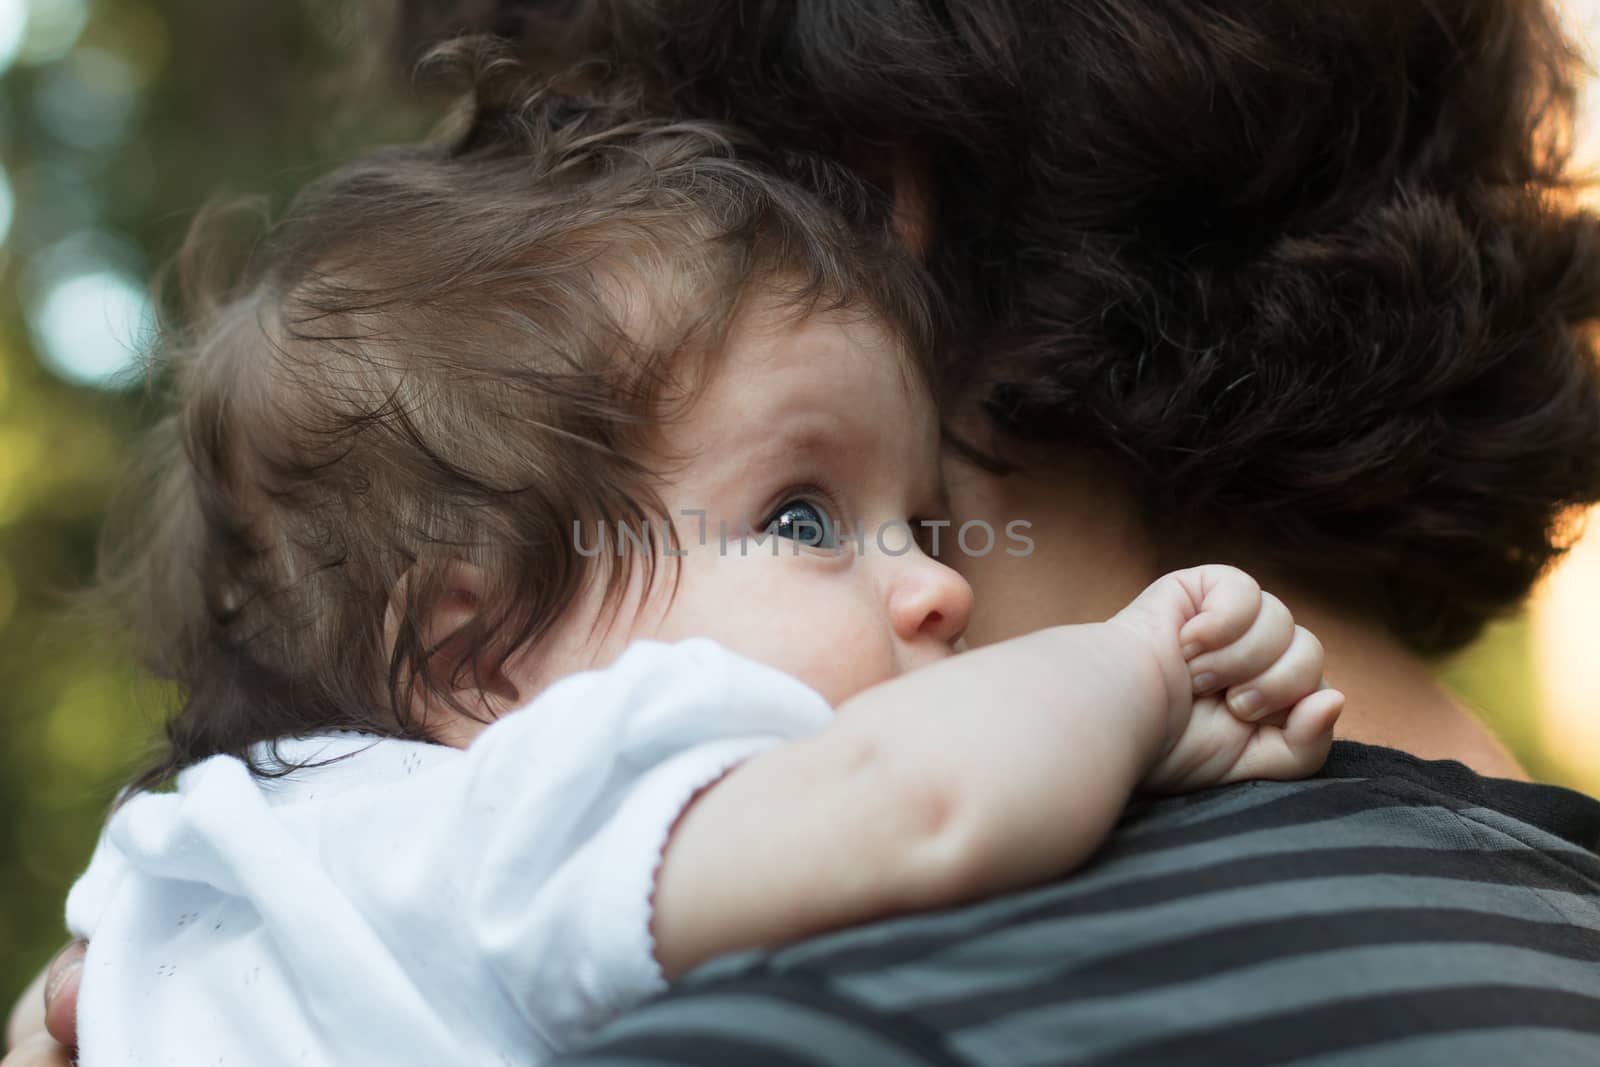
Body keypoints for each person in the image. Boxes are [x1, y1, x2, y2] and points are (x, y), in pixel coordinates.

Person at [12, 0, 1600, 1062]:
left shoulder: (836, 1015)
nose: (921, 590)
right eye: (805, 518)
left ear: (839, 197)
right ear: (463, 640)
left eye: (603, 176)